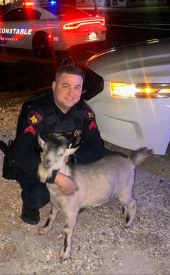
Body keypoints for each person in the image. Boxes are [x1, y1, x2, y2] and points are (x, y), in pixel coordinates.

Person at [13, 64, 107, 225]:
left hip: (69, 159)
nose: (72, 93)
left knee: (106, 174)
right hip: (40, 161)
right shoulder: (37, 111)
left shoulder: (85, 112)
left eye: (77, 87)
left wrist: (73, 158)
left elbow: (97, 147)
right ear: (54, 86)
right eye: (66, 86)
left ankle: (74, 197)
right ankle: (30, 209)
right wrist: (58, 178)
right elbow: (21, 155)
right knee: (38, 196)